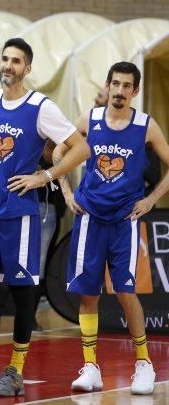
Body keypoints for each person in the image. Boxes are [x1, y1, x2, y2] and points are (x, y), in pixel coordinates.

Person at [0, 38, 90, 397]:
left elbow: (81, 147)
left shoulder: (40, 106)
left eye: (16, 61)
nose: (8, 65)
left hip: (20, 214)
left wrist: (46, 176)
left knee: (23, 292)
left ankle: (16, 370)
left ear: (28, 68)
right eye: (5, 59)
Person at [57, 62, 169, 396]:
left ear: (135, 91)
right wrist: (65, 190)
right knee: (88, 294)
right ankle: (90, 365)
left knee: (125, 292)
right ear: (107, 85)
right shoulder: (88, 119)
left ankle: (143, 363)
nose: (119, 91)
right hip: (90, 217)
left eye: (126, 86)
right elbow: (60, 151)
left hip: (124, 220)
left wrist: (151, 200)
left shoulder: (146, 126)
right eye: (114, 84)